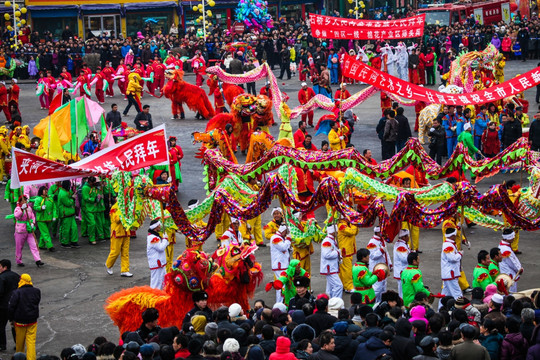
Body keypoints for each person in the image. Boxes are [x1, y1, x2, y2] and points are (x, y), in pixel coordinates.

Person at [8, 273, 41, 360]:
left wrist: (11, 318)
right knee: (31, 342)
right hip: (32, 321)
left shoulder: (16, 292)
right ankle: (31, 358)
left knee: (20, 343)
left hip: (19, 321)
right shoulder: (37, 291)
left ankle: (19, 358)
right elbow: (36, 302)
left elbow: (11, 307)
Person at [13, 196, 43, 268]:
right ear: (20, 202)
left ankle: (38, 260)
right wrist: (22, 209)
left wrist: (33, 223)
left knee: (34, 245)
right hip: (20, 230)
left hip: (29, 229)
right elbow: (16, 216)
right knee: (19, 247)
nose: (25, 202)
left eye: (26, 200)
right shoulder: (17, 208)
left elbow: (32, 216)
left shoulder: (29, 208)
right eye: (23, 200)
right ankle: (19, 260)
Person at [105, 203, 132, 277]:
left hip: (126, 232)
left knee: (125, 253)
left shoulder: (128, 206)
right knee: (115, 252)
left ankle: (125, 270)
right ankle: (108, 264)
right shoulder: (114, 207)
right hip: (117, 233)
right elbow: (117, 220)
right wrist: (124, 211)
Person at [367, 226, 392, 303]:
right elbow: (372, 256)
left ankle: (380, 303)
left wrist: (389, 263)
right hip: (376, 268)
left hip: (383, 267)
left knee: (383, 288)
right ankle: (373, 303)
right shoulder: (372, 242)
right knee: (377, 288)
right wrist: (380, 251)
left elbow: (386, 253)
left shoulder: (382, 241)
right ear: (378, 233)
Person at [0, 259, 20, 351]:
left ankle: (2, 345)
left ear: (5, 267)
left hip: (3, 306)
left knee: (1, 326)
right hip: (15, 305)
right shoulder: (17, 276)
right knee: (14, 325)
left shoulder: (1, 277)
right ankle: (18, 344)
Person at [440, 227, 463, 307]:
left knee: (445, 294)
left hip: (450, 273)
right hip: (450, 274)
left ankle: (440, 309)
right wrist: (460, 254)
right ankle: (462, 308)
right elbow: (452, 258)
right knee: (457, 293)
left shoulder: (450, 244)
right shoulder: (448, 245)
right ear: (452, 235)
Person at [270, 225, 291, 303]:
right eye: (286, 232)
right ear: (283, 231)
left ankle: (283, 301)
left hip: (283, 265)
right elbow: (283, 247)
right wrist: (288, 240)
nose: (286, 234)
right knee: (281, 285)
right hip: (280, 266)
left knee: (283, 285)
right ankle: (279, 302)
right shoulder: (275, 238)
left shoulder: (281, 238)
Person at [321, 224, 342, 299]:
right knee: (338, 286)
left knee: (329, 288)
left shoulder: (332, 240)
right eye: (336, 231)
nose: (337, 232)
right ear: (333, 231)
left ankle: (329, 302)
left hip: (332, 266)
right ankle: (336, 302)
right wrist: (337, 253)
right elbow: (326, 254)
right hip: (329, 267)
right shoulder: (327, 241)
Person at [147, 219, 169, 290]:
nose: (160, 226)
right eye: (159, 225)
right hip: (157, 264)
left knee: (162, 282)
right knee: (156, 283)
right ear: (155, 227)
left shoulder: (155, 236)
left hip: (160, 263)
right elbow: (160, 247)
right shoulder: (153, 238)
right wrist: (165, 239)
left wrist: (165, 240)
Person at [337, 217, 358, 294]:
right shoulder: (342, 225)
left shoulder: (348, 224)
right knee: (347, 270)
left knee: (343, 269)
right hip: (345, 252)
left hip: (349, 250)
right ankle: (348, 287)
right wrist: (355, 224)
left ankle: (343, 284)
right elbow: (352, 232)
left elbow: (356, 232)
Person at [33, 186, 55, 252]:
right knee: (46, 233)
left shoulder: (50, 198)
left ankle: (41, 245)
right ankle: (50, 246)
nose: (46, 191)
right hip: (41, 219)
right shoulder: (38, 199)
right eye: (44, 190)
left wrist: (54, 216)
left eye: (46, 190)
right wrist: (40, 208)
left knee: (45, 233)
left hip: (49, 218)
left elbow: (54, 207)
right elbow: (35, 207)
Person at [393, 229, 410, 298]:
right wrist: (412, 255)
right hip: (401, 271)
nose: (408, 237)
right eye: (407, 236)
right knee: (403, 292)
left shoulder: (402, 244)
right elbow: (404, 259)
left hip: (403, 271)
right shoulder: (401, 246)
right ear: (404, 237)